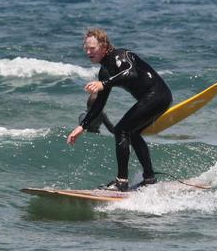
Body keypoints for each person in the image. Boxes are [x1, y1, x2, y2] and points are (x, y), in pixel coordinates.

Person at [67, 28, 172, 191]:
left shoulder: (120, 56)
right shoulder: (104, 72)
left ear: (103, 46)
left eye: (92, 48)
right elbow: (99, 103)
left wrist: (104, 84)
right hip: (152, 98)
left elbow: (131, 73)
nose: (88, 52)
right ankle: (149, 178)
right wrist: (82, 126)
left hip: (157, 95)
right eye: (85, 48)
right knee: (132, 132)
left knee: (121, 130)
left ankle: (121, 181)